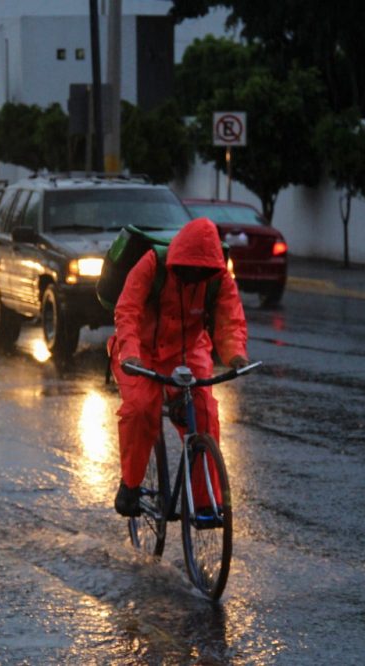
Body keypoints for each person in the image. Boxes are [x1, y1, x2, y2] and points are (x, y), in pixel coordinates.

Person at [110, 217, 249, 517]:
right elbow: (127, 311)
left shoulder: (219, 277)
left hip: (189, 351)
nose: (194, 276)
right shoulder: (151, 264)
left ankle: (204, 503)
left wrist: (236, 353)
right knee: (140, 408)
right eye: (189, 269)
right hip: (140, 352)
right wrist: (130, 355)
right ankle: (130, 486)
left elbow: (230, 319)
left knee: (206, 414)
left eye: (202, 271)